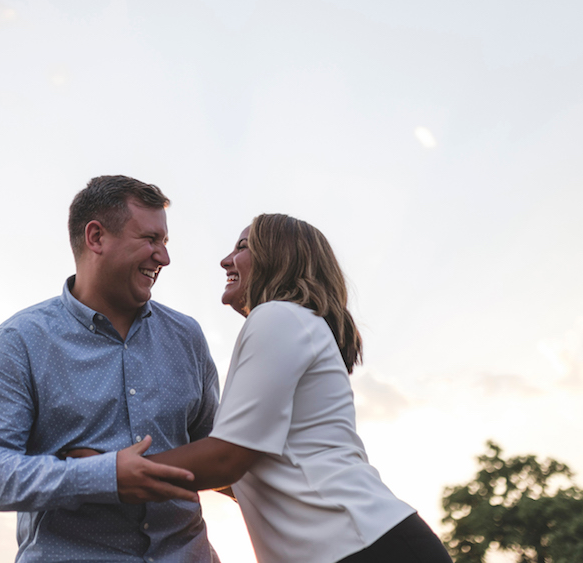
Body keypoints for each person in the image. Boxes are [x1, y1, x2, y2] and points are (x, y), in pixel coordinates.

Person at [95, 213, 449, 563]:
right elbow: (247, 472)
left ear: (279, 257)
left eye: (243, 246)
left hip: (365, 547)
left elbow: (226, 459)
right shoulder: (294, 323)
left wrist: (111, 472)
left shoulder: (278, 316)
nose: (226, 260)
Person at [0, 175, 222, 562]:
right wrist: (104, 476)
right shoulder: (20, 342)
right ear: (96, 237)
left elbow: (218, 452)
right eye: (150, 240)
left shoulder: (187, 336)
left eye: (165, 243)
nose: (164, 258)